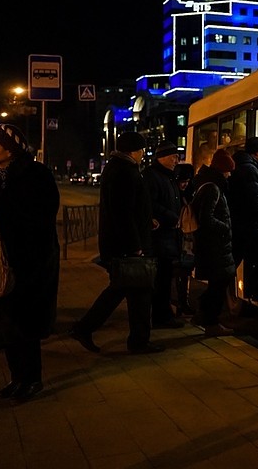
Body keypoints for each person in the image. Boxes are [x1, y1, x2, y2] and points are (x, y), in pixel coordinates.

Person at [0, 124, 60, 400]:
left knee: (25, 323)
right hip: (0, 260)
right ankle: (17, 378)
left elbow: (41, 214)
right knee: (6, 324)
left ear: (10, 149)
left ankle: (32, 379)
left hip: (31, 261)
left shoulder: (37, 174)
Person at [69, 131, 165, 354]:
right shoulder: (125, 171)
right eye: (141, 150)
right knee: (136, 291)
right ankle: (132, 340)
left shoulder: (118, 168)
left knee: (126, 290)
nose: (143, 155)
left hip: (122, 242)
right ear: (134, 151)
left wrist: (145, 220)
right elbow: (123, 213)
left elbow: (129, 209)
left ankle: (93, 330)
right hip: (127, 246)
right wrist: (135, 245)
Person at [191, 148, 236, 336]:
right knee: (219, 282)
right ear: (222, 169)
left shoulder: (208, 184)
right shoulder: (213, 188)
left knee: (218, 282)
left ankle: (204, 316)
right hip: (214, 245)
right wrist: (225, 228)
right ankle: (211, 322)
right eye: (228, 170)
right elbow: (206, 218)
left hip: (213, 245)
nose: (230, 174)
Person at [142, 141, 184, 329]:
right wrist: (172, 217)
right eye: (174, 156)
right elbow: (150, 203)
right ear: (163, 157)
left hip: (168, 237)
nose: (177, 160)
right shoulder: (153, 176)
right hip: (159, 237)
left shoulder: (168, 176)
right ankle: (161, 317)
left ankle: (164, 314)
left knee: (166, 278)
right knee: (161, 280)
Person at [228, 136, 258, 301]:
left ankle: (252, 290)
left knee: (239, 257)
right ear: (256, 152)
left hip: (240, 222)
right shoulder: (250, 169)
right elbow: (257, 198)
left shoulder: (242, 165)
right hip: (248, 224)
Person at [173, 162, 196, 317]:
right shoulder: (173, 195)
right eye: (182, 182)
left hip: (187, 239)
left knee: (185, 272)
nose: (184, 185)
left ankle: (183, 303)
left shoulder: (190, 194)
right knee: (178, 272)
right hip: (177, 238)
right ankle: (181, 303)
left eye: (187, 182)